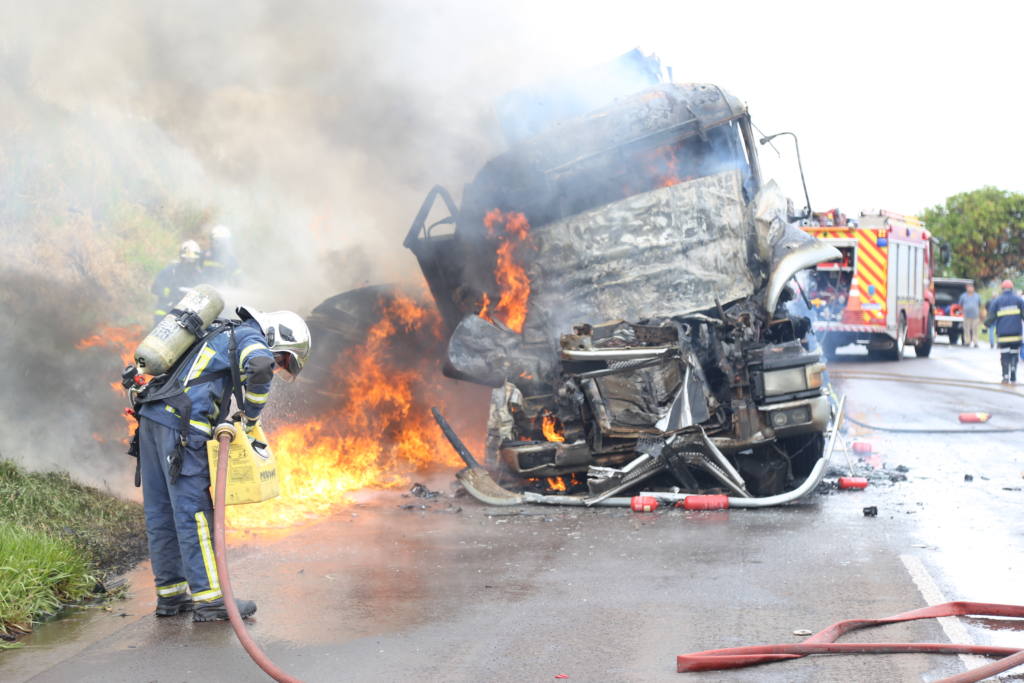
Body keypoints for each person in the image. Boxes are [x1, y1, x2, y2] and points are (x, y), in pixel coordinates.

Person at [135, 307, 311, 621]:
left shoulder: (221, 332)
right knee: (195, 514)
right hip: (181, 429)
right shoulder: (252, 338)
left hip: (152, 420)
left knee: (161, 512)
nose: (279, 364)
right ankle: (210, 600)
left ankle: (171, 595)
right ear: (277, 336)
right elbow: (259, 366)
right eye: (283, 358)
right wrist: (251, 416)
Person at [151, 240, 204, 322]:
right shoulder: (171, 270)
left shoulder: (199, 277)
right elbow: (155, 287)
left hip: (187, 315)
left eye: (192, 261)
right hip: (165, 310)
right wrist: (170, 292)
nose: (189, 264)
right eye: (186, 260)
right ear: (181, 258)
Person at [988, 280, 1024, 383]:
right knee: (1014, 353)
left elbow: (991, 317)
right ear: (1012, 288)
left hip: (1003, 334)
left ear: (1002, 289)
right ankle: (1013, 373)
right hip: (1016, 334)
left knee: (1004, 355)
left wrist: (986, 325)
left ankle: (1005, 376)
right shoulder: (1019, 300)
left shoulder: (997, 301)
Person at [958, 283, 982, 348]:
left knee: (975, 329)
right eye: (968, 287)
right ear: (966, 288)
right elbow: (960, 305)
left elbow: (980, 305)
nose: (970, 288)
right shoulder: (963, 296)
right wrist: (961, 312)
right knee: (966, 329)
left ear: (973, 288)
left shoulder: (977, 296)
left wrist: (980, 315)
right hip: (966, 316)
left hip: (975, 316)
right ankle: (967, 342)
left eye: (971, 287)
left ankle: (975, 342)